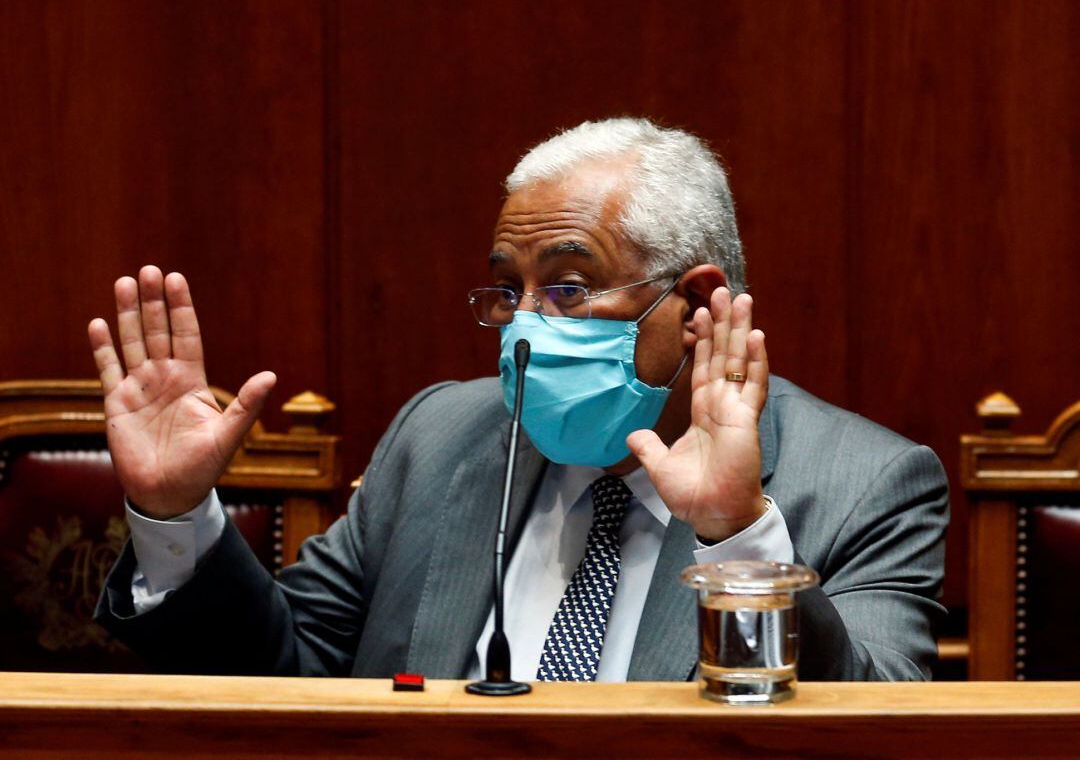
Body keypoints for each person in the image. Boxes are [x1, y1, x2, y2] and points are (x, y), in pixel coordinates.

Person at [92, 118, 947, 681]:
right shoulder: (443, 437)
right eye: (509, 292)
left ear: (694, 304)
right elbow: (287, 675)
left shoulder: (865, 483)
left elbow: (881, 728)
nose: (525, 330)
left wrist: (740, 539)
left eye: (569, 290)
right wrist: (176, 517)